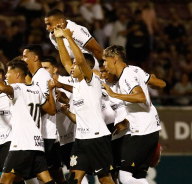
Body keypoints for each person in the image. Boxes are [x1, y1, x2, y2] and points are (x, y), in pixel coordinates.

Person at [0, 59, 57, 184]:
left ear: (17, 75)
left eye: (8, 73)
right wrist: (50, 91)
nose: (6, 76)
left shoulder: (16, 88)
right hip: (37, 143)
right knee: (46, 179)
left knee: (5, 180)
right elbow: (52, 110)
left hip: (21, 144)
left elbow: (2, 87)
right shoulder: (36, 90)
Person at [53, 27, 114, 184]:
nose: (71, 67)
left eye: (75, 65)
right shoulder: (77, 86)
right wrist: (59, 39)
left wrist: (69, 37)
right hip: (80, 140)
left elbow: (79, 60)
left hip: (97, 138)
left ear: (85, 68)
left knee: (104, 179)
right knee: (74, 179)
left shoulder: (91, 80)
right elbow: (66, 61)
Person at [102, 45, 162, 184]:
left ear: (114, 59)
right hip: (149, 128)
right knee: (138, 177)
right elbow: (161, 84)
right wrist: (153, 82)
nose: (104, 64)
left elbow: (141, 97)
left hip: (142, 131)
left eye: (105, 60)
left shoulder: (126, 76)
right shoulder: (135, 70)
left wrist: (114, 94)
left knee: (124, 177)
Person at [22, 45, 66, 184]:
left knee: (34, 173)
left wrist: (27, 114)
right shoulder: (36, 77)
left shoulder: (42, 77)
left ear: (35, 58)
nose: (23, 59)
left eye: (25, 56)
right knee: (52, 175)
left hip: (46, 133)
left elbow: (48, 107)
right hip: (42, 133)